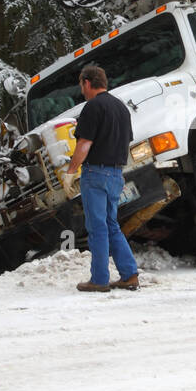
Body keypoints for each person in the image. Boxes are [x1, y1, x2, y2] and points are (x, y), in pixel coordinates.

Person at [65, 64, 140, 292]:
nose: (82, 90)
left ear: (87, 83)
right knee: (111, 225)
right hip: (116, 173)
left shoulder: (92, 107)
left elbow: (84, 144)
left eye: (82, 85)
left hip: (95, 174)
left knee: (97, 227)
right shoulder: (122, 108)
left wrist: (70, 173)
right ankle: (129, 274)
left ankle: (99, 279)